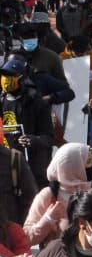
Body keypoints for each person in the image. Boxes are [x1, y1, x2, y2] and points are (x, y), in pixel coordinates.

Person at [23, 143, 92, 247]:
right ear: (74, 166)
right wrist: (48, 219)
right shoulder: (48, 195)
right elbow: (26, 238)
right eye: (88, 161)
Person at [0, 56, 53, 187]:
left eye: (10, 76)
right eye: (4, 75)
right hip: (7, 165)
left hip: (33, 169)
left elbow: (48, 138)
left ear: (22, 78)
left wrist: (33, 140)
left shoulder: (36, 102)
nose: (6, 79)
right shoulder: (1, 101)